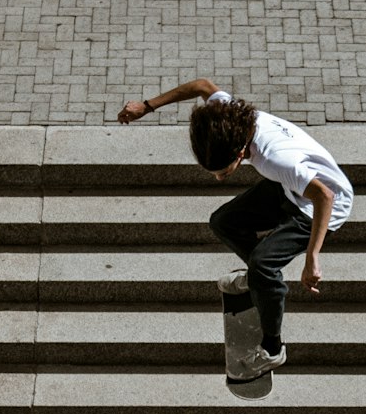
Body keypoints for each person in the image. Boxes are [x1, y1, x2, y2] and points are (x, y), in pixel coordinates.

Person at [118, 79, 353, 377]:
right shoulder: (226, 114)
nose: (219, 179)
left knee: (264, 266)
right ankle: (261, 280)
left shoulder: (275, 160)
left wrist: (312, 257)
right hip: (291, 189)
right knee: (223, 222)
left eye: (223, 172)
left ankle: (272, 349)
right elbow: (202, 86)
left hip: (320, 208)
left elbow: (325, 196)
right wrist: (147, 106)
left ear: (240, 153)